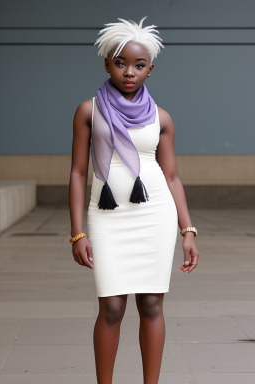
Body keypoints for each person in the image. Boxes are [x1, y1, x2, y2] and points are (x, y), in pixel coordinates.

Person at [68, 16, 199, 384]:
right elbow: (78, 173)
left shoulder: (162, 118)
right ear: (107, 64)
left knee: (152, 304)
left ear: (150, 70)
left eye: (138, 65)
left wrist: (187, 229)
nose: (129, 72)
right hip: (107, 216)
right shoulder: (88, 111)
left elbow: (171, 176)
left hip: (155, 214)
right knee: (111, 306)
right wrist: (77, 232)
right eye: (120, 63)